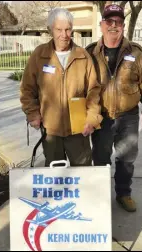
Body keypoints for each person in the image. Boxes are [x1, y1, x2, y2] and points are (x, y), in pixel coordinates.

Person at [86, 4, 142, 212]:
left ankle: (123, 193)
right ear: (102, 25)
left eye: (118, 21)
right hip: (101, 117)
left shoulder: (136, 53)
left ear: (123, 26)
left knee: (126, 158)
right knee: (100, 158)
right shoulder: (90, 53)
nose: (113, 25)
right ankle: (100, 197)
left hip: (128, 117)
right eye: (109, 21)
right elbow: (80, 85)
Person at [20, 8, 102, 167]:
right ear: (51, 29)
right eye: (59, 29)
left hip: (79, 129)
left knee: (82, 173)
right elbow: (27, 89)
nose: (64, 35)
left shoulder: (83, 56)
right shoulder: (39, 55)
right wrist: (33, 113)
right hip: (51, 129)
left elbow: (94, 90)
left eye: (68, 29)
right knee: (55, 174)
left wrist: (92, 118)